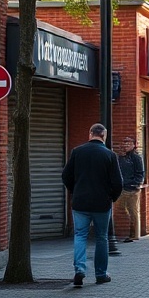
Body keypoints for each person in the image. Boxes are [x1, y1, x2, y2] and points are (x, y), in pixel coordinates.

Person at [61, 123, 123, 286]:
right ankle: (101, 274)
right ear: (104, 136)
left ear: (90, 134)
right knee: (101, 237)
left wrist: (74, 191)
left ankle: (79, 269)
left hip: (80, 202)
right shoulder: (110, 155)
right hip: (102, 203)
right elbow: (118, 183)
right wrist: (111, 197)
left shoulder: (77, 152)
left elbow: (66, 175)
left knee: (80, 235)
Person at [117, 136, 145, 242]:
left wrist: (136, 184)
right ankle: (127, 233)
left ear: (134, 145)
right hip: (122, 188)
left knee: (133, 211)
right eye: (125, 143)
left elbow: (140, 173)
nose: (126, 145)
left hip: (132, 189)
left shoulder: (136, 157)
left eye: (129, 143)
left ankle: (135, 234)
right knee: (123, 210)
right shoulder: (121, 157)